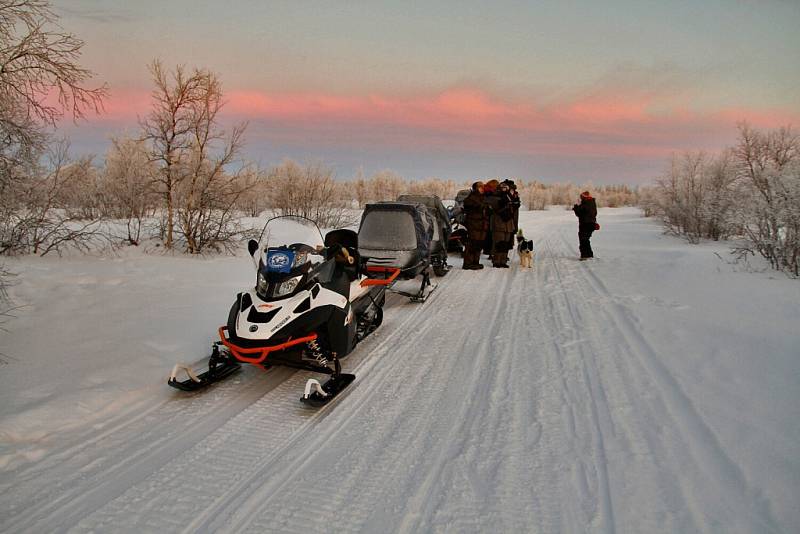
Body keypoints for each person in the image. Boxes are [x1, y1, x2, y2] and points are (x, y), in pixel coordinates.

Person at [486, 181, 516, 267]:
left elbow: (513, 208)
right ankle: (496, 261)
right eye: (503, 188)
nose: (505, 189)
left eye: (506, 188)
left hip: (508, 224)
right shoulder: (494, 197)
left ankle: (503, 261)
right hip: (498, 224)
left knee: (505, 244)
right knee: (499, 243)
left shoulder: (509, 197)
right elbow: (495, 205)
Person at [462, 181, 488, 270]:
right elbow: (467, 205)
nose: (482, 188)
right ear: (476, 188)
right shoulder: (471, 197)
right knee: (472, 244)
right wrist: (479, 206)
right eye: (480, 187)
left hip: (482, 225)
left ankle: (475, 262)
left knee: (478, 244)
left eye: (482, 187)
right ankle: (468, 263)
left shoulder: (483, 197)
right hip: (474, 225)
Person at [573, 191, 598, 260]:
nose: (581, 198)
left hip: (585, 224)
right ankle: (589, 255)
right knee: (585, 240)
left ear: (584, 197)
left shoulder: (586, 203)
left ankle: (585, 256)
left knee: (583, 240)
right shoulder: (592, 203)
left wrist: (576, 207)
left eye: (581, 197)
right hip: (590, 224)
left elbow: (579, 213)